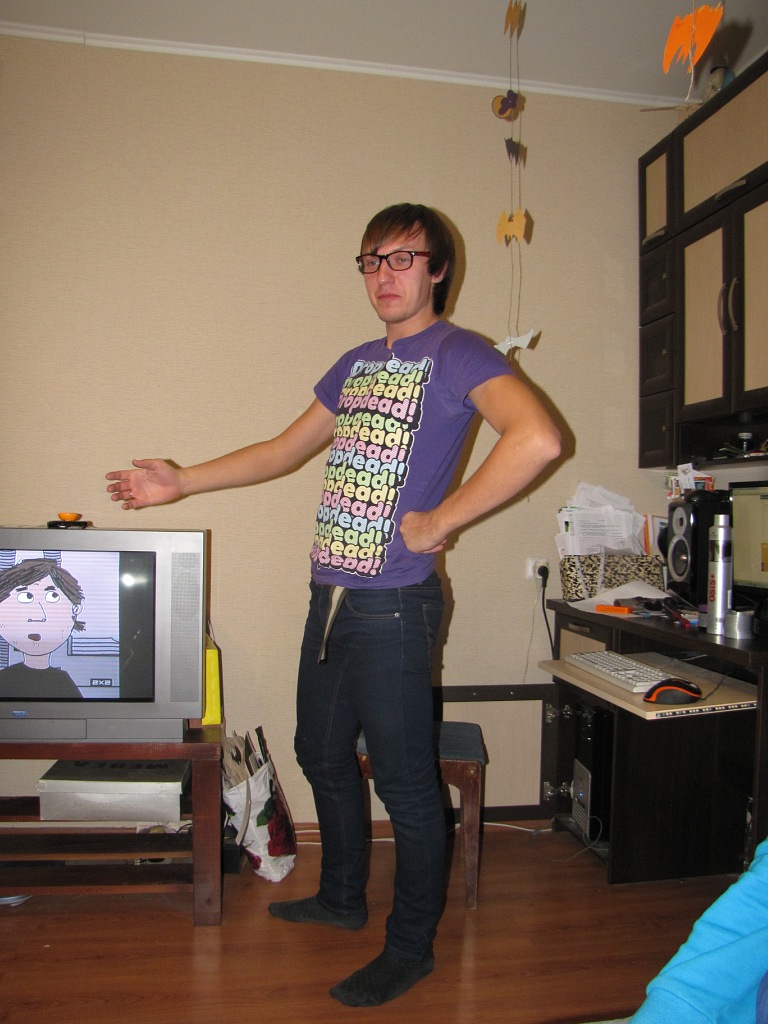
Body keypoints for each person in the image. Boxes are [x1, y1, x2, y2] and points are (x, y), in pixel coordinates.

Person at [106, 202, 561, 1005]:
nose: (385, 274)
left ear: (438, 269)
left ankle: (410, 947)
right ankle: (344, 896)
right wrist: (183, 480)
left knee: (406, 784)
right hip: (331, 598)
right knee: (318, 750)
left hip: (396, 608)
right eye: (372, 260)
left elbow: (538, 438)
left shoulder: (459, 352)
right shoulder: (355, 363)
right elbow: (283, 450)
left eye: (403, 258)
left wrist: (440, 521)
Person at [0, 558, 85, 699]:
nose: (38, 615)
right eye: (25, 597)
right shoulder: (5, 679)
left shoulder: (62, 681)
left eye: (52, 596)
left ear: (75, 610)